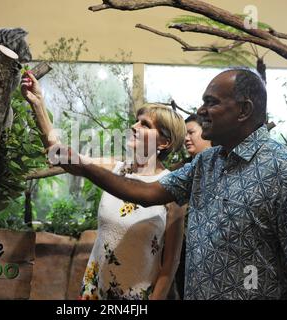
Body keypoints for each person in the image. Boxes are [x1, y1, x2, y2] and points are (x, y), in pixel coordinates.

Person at [48, 68, 287, 300]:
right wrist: (82, 167)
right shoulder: (208, 163)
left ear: (243, 110)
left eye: (211, 102)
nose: (201, 110)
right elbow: (146, 193)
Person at [21, 72, 187, 300]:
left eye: (145, 124)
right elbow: (59, 155)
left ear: (165, 142)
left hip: (138, 298)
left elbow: (171, 264)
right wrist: (38, 103)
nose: (134, 126)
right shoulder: (113, 169)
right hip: (94, 292)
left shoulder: (171, 189)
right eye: (137, 120)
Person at [172, 113, 212, 299]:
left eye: (191, 132)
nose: (186, 138)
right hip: (183, 249)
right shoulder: (180, 169)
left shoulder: (222, 164)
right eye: (184, 135)